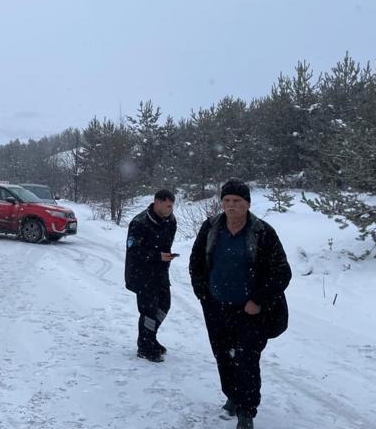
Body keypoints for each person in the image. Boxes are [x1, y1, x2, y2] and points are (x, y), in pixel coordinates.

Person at [189, 180, 291, 429]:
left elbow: (282, 272)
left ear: (247, 204)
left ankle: (246, 410)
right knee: (223, 355)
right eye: (227, 201)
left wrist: (258, 300)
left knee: (246, 358)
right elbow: (196, 262)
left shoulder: (262, 232)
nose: (231, 206)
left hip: (249, 311)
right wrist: (203, 293)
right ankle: (232, 396)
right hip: (216, 306)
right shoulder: (211, 227)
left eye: (237, 201)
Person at [124, 189, 178, 362]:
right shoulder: (139, 222)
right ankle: (144, 346)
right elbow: (133, 249)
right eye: (168, 206)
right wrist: (156, 256)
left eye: (172, 206)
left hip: (161, 272)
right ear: (157, 202)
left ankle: (151, 337)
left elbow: (166, 244)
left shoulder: (171, 220)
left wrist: (166, 257)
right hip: (141, 273)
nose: (170, 209)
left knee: (164, 306)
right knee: (148, 311)